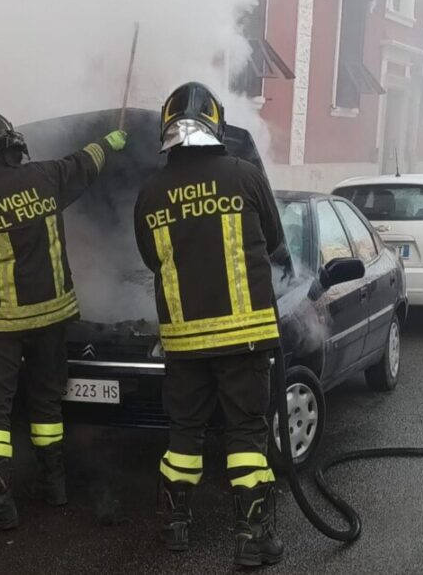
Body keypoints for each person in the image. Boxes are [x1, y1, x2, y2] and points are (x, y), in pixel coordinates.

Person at [0, 108, 127, 530]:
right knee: (46, 402)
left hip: (7, 324)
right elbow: (86, 162)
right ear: (12, 142)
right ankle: (53, 484)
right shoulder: (47, 176)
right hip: (55, 319)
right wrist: (110, 143)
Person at [133, 83, 288, 567]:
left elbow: (150, 259)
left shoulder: (151, 192)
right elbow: (275, 240)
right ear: (216, 125)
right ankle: (252, 538)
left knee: (184, 434)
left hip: (184, 344)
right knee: (246, 436)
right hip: (245, 339)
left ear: (166, 130)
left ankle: (175, 526)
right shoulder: (245, 176)